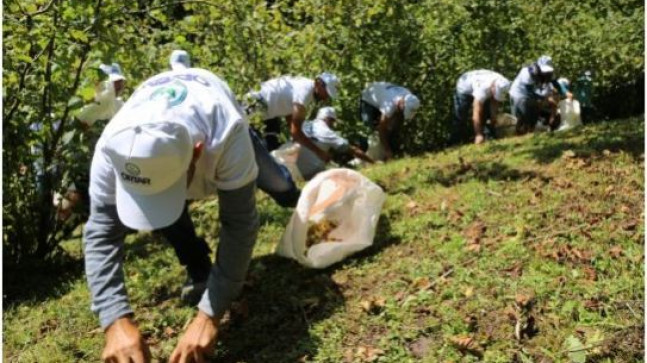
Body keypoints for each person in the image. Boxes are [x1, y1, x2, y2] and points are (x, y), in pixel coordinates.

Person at [84, 67, 262, 362]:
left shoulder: (225, 130)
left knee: (276, 181)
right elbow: (101, 233)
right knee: (168, 216)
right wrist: (114, 320)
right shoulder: (110, 148)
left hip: (217, 107)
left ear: (196, 152)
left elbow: (240, 223)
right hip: (164, 115)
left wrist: (209, 316)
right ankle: (199, 267)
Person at [244, 72, 340, 159]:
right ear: (318, 83)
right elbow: (296, 132)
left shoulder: (304, 88)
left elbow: (290, 117)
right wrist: (319, 153)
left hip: (264, 113)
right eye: (326, 92)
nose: (326, 97)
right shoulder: (305, 91)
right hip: (253, 108)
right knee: (255, 150)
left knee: (269, 148)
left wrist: (297, 141)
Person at [292, 107, 374, 180]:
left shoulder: (304, 124)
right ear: (328, 119)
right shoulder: (326, 132)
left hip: (294, 169)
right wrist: (372, 162)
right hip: (310, 171)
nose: (333, 125)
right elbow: (352, 150)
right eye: (333, 122)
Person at [359, 82, 420, 161]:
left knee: (394, 126)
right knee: (368, 129)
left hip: (382, 95)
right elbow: (382, 128)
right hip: (369, 98)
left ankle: (393, 152)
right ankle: (366, 158)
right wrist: (387, 150)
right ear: (401, 104)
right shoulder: (389, 105)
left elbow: (397, 120)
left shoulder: (410, 97)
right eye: (403, 110)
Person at [509, 55, 569, 134]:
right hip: (518, 94)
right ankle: (520, 132)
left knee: (535, 111)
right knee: (524, 114)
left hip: (531, 95)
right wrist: (545, 99)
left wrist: (564, 92)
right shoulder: (526, 72)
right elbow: (528, 92)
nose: (545, 73)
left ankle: (530, 131)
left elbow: (555, 83)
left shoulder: (548, 73)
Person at [452, 70, 511, 145]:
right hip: (464, 86)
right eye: (496, 93)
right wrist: (478, 134)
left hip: (479, 83)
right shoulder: (483, 89)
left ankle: (489, 137)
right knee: (461, 115)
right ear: (493, 87)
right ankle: (457, 141)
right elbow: (476, 112)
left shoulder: (504, 82)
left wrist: (494, 119)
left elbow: (495, 102)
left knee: (486, 114)